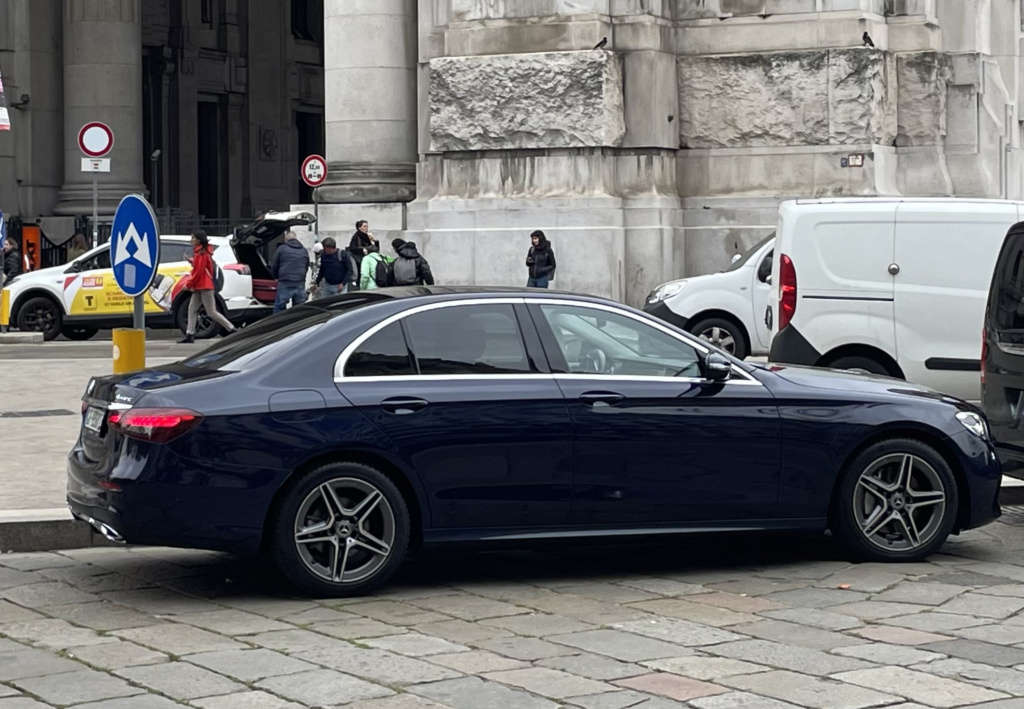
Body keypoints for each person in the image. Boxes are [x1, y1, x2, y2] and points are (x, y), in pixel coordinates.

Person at [178, 230, 237, 344]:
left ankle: (231, 328)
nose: (191, 240)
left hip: (203, 286)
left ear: (199, 240)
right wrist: (192, 261)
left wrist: (188, 284)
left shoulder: (200, 253)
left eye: (193, 238)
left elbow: (198, 272)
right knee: (193, 309)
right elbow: (203, 269)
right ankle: (190, 334)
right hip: (203, 285)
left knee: (210, 311)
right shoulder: (203, 252)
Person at [272, 230, 311, 313]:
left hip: (285, 281)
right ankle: (298, 324)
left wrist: (275, 277)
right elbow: (306, 265)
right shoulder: (304, 250)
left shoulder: (282, 249)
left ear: (286, 240)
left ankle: (279, 324)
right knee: (299, 308)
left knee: (279, 306)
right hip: (299, 282)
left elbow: (275, 264)